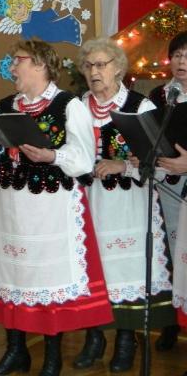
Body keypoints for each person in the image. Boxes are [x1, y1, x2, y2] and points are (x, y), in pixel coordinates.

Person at [0, 40, 113, 376]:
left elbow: (83, 159)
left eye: (17, 60)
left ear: (39, 63)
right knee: (13, 274)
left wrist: (52, 155)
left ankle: (52, 358)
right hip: (11, 208)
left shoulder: (68, 105)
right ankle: (16, 351)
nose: (11, 67)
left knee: (47, 278)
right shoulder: (5, 106)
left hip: (51, 209)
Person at [68, 38, 174, 372]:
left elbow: (161, 163)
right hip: (86, 202)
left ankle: (126, 341)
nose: (94, 71)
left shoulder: (139, 106)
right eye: (88, 66)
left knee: (125, 270)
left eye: (101, 64)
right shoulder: (77, 106)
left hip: (128, 204)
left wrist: (122, 165)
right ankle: (95, 337)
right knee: (91, 269)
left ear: (118, 68)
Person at [152, 31, 187, 354]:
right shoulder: (160, 95)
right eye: (177, 55)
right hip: (164, 186)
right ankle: (169, 322)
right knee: (166, 256)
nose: (181, 61)